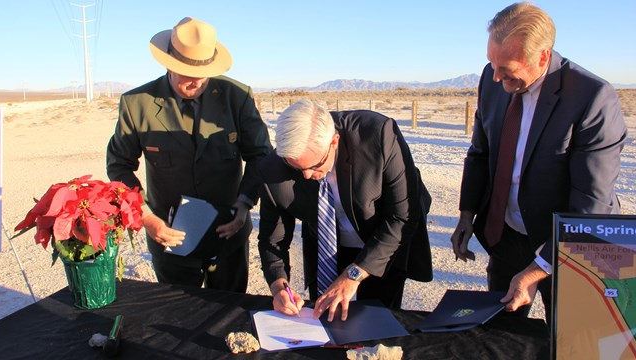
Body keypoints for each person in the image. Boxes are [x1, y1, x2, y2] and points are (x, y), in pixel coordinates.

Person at [451, 2, 627, 321]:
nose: (495, 77)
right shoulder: (493, 80)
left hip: (567, 245)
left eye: (507, 68)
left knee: (568, 336)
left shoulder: (592, 98)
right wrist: (466, 215)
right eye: (492, 64)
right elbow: (480, 153)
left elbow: (591, 204)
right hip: (507, 238)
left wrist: (537, 269)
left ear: (542, 56)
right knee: (501, 334)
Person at [106, 17, 272, 292]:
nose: (195, 81)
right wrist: (146, 217)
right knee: (179, 314)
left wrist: (243, 205)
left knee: (229, 313)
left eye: (203, 72)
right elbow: (119, 165)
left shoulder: (237, 96)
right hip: (169, 236)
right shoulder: (137, 104)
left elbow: (260, 156)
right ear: (168, 63)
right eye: (186, 72)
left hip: (228, 232)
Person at [257, 99, 433, 322]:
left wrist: (354, 274)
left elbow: (402, 216)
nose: (307, 176)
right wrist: (278, 286)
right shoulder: (272, 170)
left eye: (315, 165)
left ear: (334, 142)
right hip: (327, 246)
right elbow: (273, 239)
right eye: (297, 168)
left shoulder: (379, 135)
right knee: (326, 320)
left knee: (377, 320)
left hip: (381, 237)